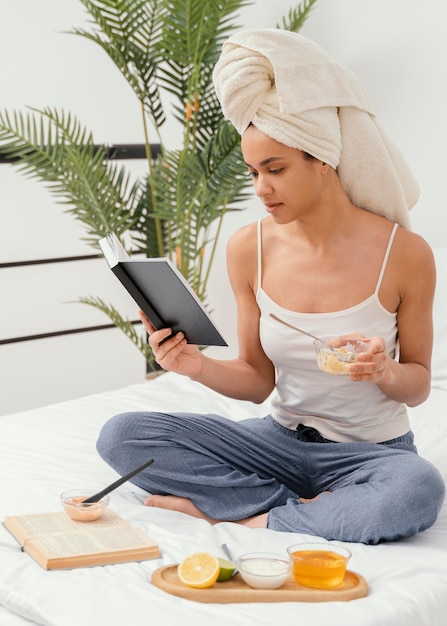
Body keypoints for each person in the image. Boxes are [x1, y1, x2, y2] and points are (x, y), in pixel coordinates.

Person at [96, 29, 445, 544]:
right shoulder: (248, 249)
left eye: (276, 169)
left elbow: (417, 386)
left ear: (321, 159)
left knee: (417, 489)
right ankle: (305, 511)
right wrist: (194, 365)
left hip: (372, 455)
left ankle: (244, 515)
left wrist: (384, 370)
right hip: (277, 444)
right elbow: (259, 381)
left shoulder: (405, 254)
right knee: (124, 436)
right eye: (253, 171)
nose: (261, 188)